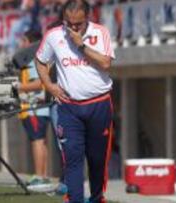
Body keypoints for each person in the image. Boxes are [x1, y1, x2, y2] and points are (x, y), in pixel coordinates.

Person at [35, 0, 115, 202]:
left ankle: (97, 197)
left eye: (77, 24)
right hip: (69, 107)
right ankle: (75, 198)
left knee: (97, 159)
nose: (72, 28)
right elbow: (41, 60)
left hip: (99, 104)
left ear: (87, 18)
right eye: (68, 23)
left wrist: (81, 45)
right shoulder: (54, 35)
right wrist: (49, 85)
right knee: (72, 157)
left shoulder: (101, 32)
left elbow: (106, 63)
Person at [15, 29, 53, 191]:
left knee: (37, 141)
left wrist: (18, 87)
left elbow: (39, 83)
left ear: (30, 42)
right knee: (40, 141)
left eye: (24, 41)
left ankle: (40, 175)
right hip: (37, 108)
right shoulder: (38, 59)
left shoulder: (33, 61)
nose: (21, 45)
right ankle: (42, 175)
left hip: (34, 109)